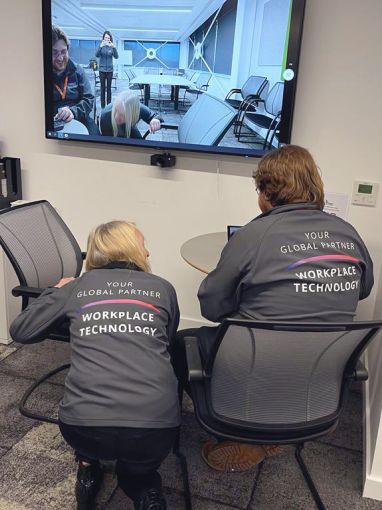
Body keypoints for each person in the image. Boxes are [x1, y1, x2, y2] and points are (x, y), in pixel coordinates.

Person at [173, 144, 374, 472]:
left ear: (266, 192)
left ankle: (241, 430)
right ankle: (282, 417)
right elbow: (363, 290)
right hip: (320, 373)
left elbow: (211, 307)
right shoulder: (348, 234)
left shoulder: (254, 235)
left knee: (182, 342)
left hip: (257, 363)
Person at [10, 221, 180, 510]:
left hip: (83, 427)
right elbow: (168, 338)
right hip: (155, 430)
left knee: (92, 442)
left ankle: (89, 468)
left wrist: (55, 290)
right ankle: (144, 490)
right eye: (143, 245)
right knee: (138, 471)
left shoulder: (77, 287)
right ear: (129, 250)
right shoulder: (162, 288)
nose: (148, 252)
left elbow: (21, 331)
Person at [52, 25, 99, 135]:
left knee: (95, 136)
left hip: (78, 116)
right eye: (54, 53)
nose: (60, 58)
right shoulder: (40, 74)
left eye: (63, 52)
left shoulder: (78, 71)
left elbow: (89, 99)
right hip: (53, 121)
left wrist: (73, 111)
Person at [95, 31, 119, 109]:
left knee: (108, 89)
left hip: (109, 71)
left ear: (110, 39)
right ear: (103, 38)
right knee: (102, 89)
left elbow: (116, 57)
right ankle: (102, 106)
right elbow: (97, 55)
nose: (107, 39)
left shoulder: (111, 47)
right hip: (101, 70)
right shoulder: (101, 46)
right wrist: (100, 47)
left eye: (108, 38)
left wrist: (114, 47)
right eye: (105, 37)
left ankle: (109, 106)